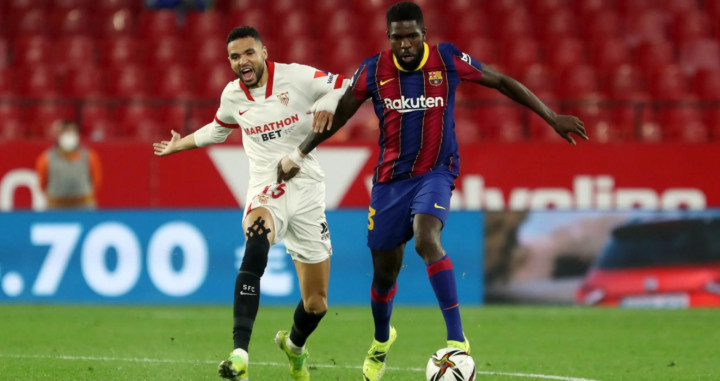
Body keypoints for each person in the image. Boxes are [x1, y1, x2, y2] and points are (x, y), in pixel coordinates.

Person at [277, 2, 589, 380]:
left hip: (436, 173)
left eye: (411, 36)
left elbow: (502, 82)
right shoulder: (373, 70)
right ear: (389, 38)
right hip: (390, 183)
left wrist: (551, 117)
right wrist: (299, 153)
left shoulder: (447, 59)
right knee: (384, 277)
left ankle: (457, 340)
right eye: (397, 38)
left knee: (427, 239)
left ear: (424, 34)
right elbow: (340, 115)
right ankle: (380, 342)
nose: (405, 44)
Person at [152, 26, 349, 381]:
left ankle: (294, 346)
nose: (242, 62)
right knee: (256, 242)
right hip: (266, 187)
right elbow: (218, 129)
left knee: (316, 304)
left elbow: (345, 84)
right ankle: (240, 354)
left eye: (248, 53)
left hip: (306, 190)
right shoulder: (233, 96)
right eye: (234, 57)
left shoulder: (297, 77)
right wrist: (179, 145)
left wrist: (329, 102)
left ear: (263, 51)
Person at [36, 119, 102, 209]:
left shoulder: (90, 156)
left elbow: (96, 181)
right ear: (58, 135)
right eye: (65, 131)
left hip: (84, 207)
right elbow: (42, 184)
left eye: (72, 131)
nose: (69, 135)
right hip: (56, 208)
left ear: (77, 135)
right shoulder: (46, 158)